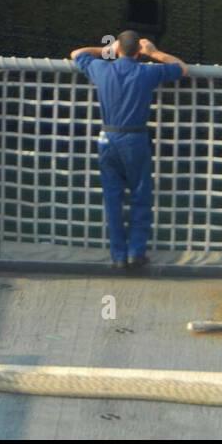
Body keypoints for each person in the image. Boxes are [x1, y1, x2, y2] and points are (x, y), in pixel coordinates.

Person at [70, 32, 187, 270]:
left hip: (107, 138)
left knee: (112, 198)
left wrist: (107, 51)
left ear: (118, 50)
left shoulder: (101, 68)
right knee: (140, 196)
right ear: (138, 52)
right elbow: (181, 68)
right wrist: (153, 53)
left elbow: (76, 54)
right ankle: (136, 252)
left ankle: (118, 256)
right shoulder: (147, 72)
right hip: (135, 139)